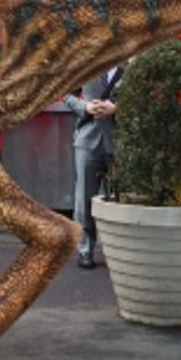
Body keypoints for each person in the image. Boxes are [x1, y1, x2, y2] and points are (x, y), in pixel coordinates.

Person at [63, 66, 122, 269]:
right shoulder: (89, 64)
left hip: (119, 141)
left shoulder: (129, 68)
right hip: (87, 140)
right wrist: (85, 107)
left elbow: (142, 99)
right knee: (84, 198)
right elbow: (66, 94)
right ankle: (85, 249)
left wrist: (117, 108)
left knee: (117, 198)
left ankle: (116, 250)